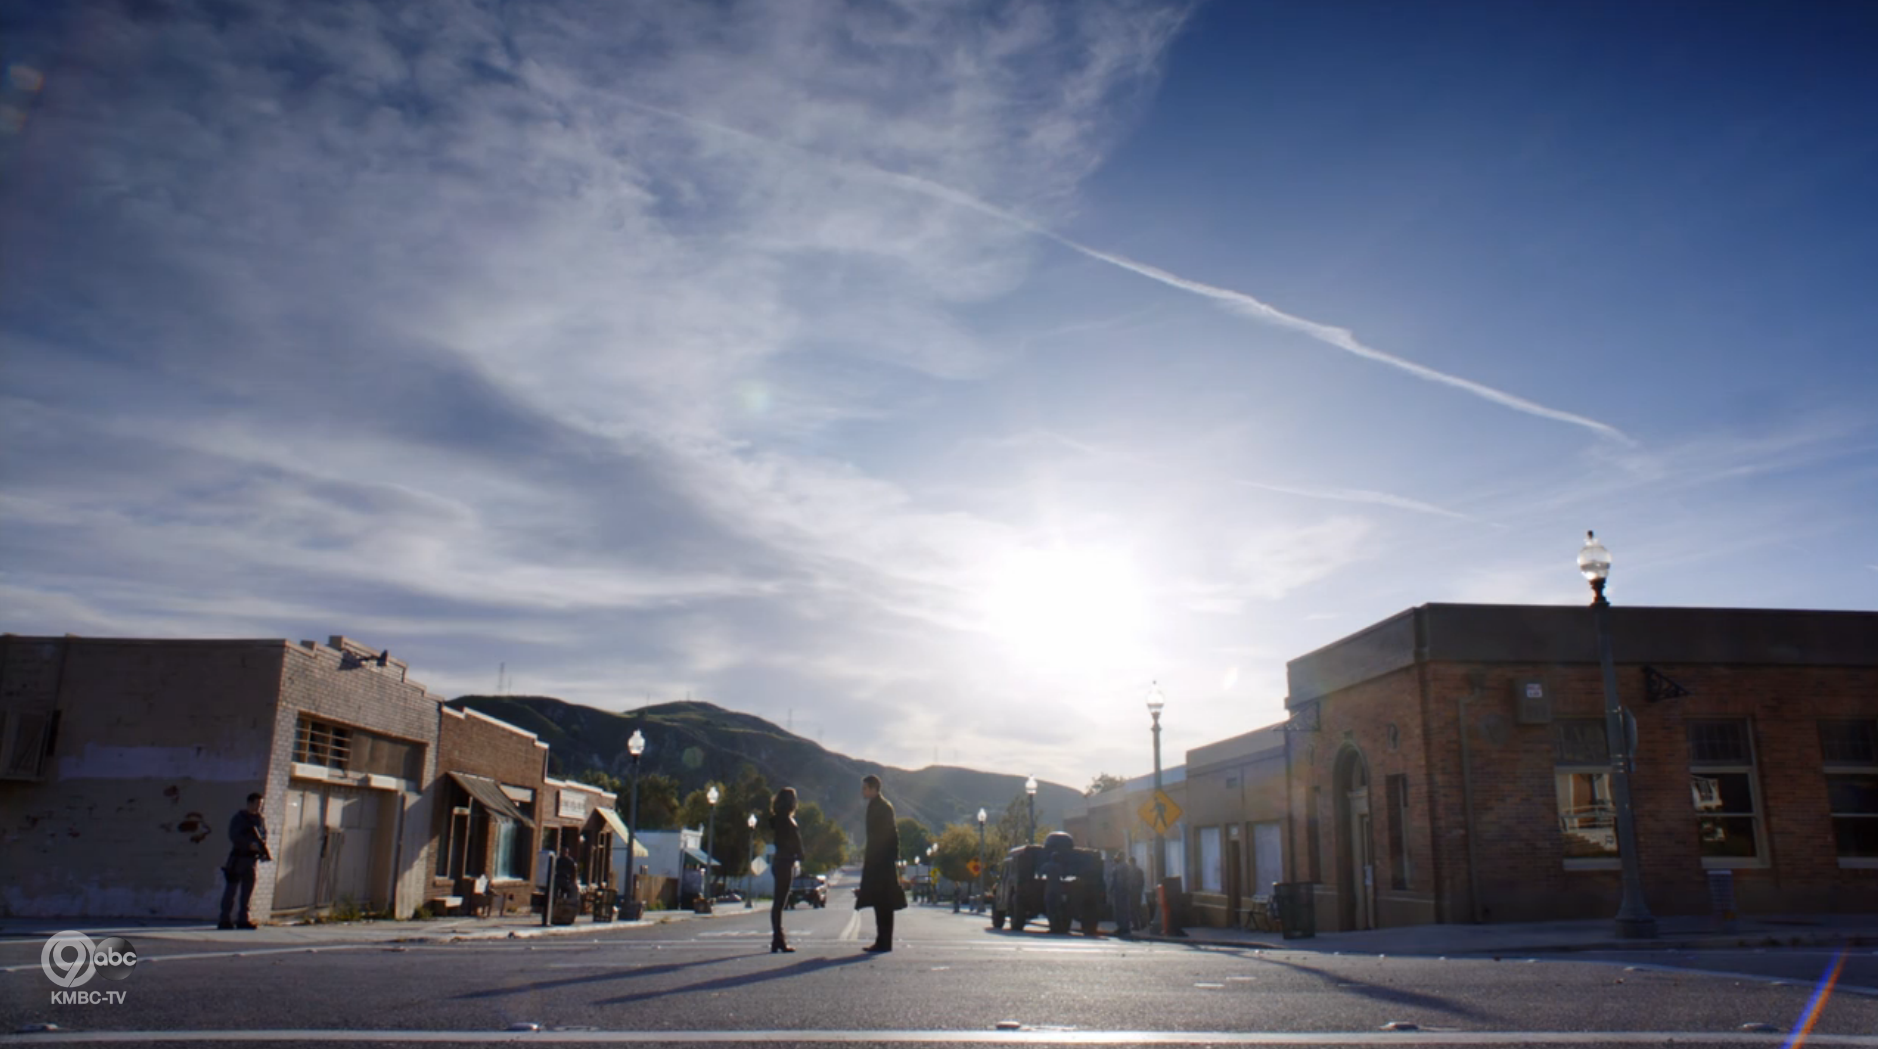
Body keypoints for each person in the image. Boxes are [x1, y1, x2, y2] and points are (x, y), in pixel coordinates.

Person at [855, 774, 906, 953]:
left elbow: (892, 834)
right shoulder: (874, 806)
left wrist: (889, 859)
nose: (863, 791)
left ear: (874, 788)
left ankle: (885, 941)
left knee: (885, 902)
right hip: (876, 860)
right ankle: (881, 940)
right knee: (879, 901)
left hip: (882, 861)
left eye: (865, 788)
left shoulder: (884, 807)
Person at [218, 792, 270, 930]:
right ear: (250, 803)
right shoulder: (240, 818)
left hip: (251, 859)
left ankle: (243, 919)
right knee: (231, 891)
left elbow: (263, 835)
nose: (259, 807)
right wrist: (248, 844)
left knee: (247, 891)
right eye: (257, 804)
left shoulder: (259, 819)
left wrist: (260, 847)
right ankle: (224, 919)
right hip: (238, 858)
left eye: (261, 805)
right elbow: (234, 836)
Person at [767, 787, 804, 953]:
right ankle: (778, 939)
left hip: (780, 861)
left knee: (779, 902)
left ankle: (778, 938)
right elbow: (794, 843)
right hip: (785, 862)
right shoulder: (787, 821)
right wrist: (799, 853)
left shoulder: (778, 820)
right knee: (779, 902)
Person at [1107, 851, 1136, 938]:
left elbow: (1114, 880)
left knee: (1119, 910)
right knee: (1125, 910)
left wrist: (1110, 890)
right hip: (1125, 891)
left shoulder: (1118, 867)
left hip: (1119, 891)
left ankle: (1121, 927)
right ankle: (1126, 927)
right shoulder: (1127, 866)